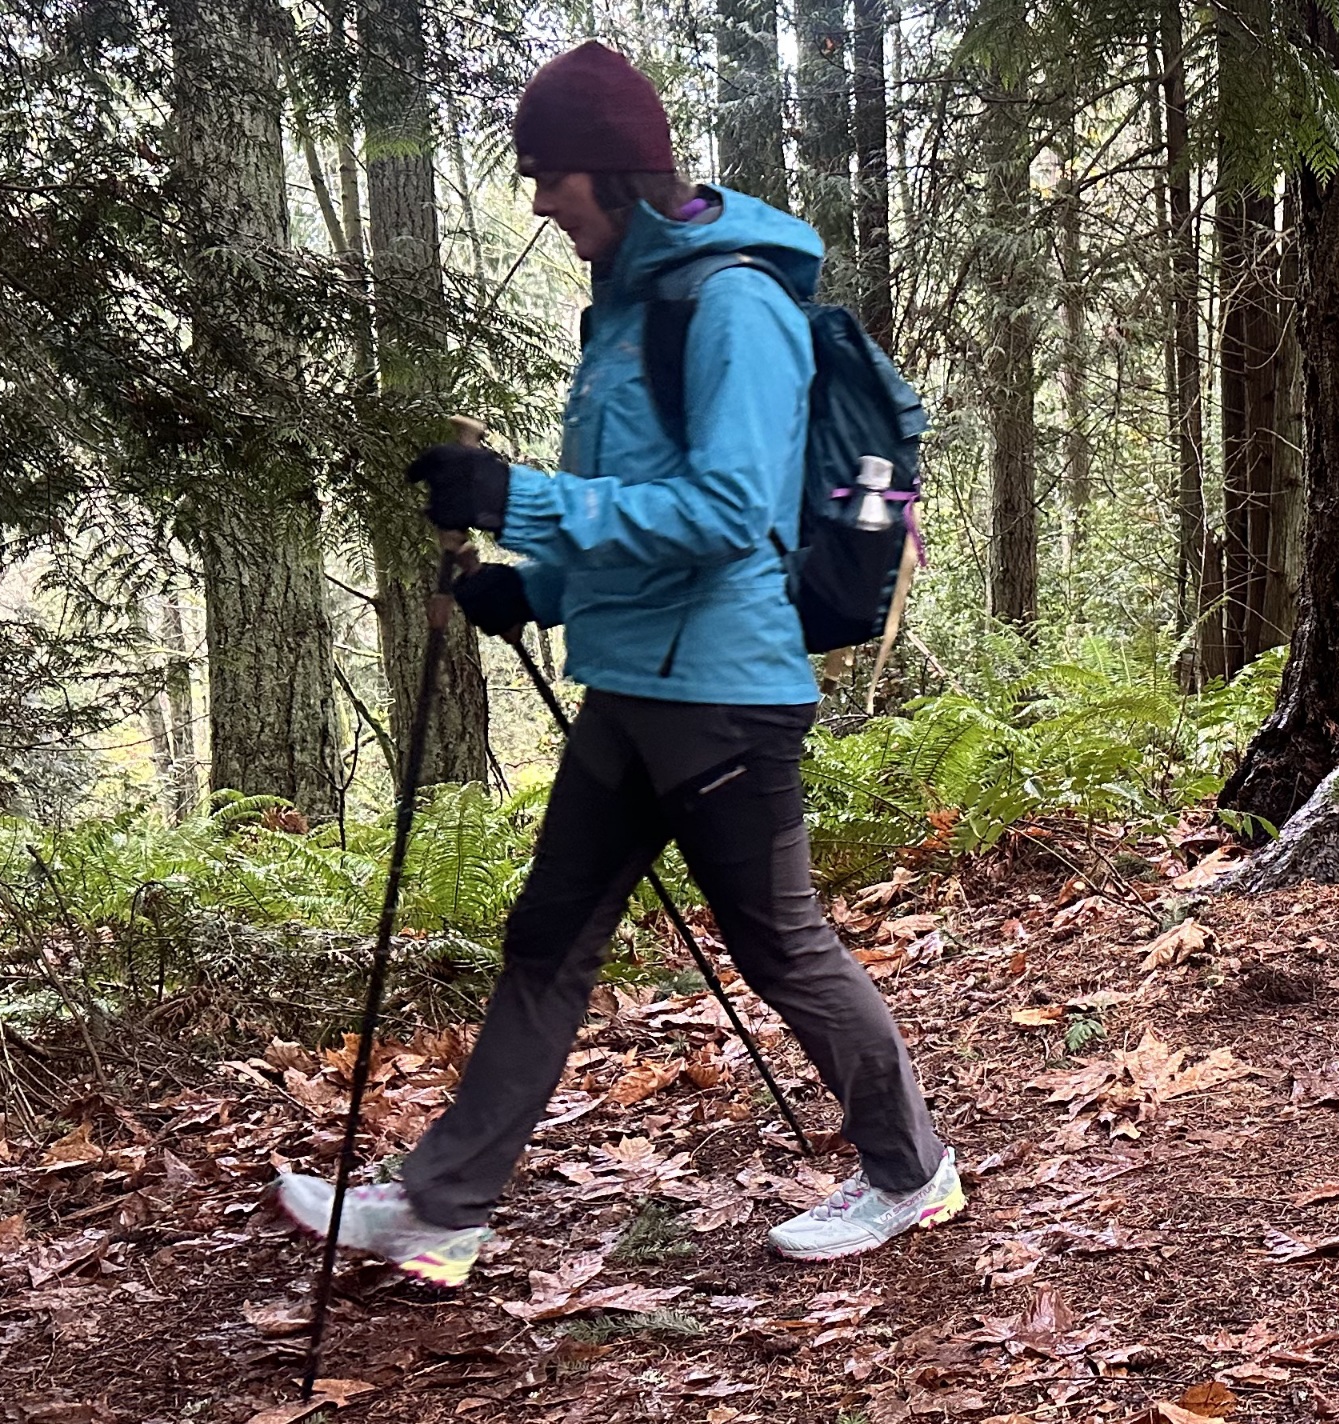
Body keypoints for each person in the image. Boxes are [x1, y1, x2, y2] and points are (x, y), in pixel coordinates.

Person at [276, 40, 958, 1286]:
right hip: (635, 683)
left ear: (613, 169)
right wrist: (535, 586)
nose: (539, 202)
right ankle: (444, 1207)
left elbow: (727, 510)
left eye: (549, 176)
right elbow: (635, 501)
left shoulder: (734, 302)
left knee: (781, 947)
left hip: (726, 697)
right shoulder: (630, 307)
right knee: (547, 936)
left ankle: (912, 1170)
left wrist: (524, 503)